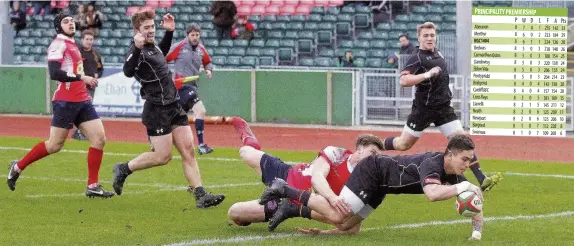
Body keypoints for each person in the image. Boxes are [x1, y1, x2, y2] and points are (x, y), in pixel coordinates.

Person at [259, 135, 484, 240]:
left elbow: (476, 204)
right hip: (373, 171)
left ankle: (293, 209)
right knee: (338, 216)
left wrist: (477, 233)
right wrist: (465, 187)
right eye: (464, 159)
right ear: (450, 155)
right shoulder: (432, 163)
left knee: (349, 228)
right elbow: (432, 194)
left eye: (469, 160)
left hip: (382, 188)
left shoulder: (455, 174)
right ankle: (285, 190)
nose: (467, 165)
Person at [115, 10, 224, 208]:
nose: (150, 30)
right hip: (156, 109)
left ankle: (200, 195)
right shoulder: (136, 49)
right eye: (146, 27)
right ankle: (124, 168)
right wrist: (137, 47)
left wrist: (169, 32)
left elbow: (162, 52)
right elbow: (127, 71)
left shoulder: (153, 46)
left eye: (152, 26)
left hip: (173, 105)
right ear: (137, 30)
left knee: (188, 151)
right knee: (162, 157)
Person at [382, 22, 502, 191]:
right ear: (419, 38)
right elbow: (404, 80)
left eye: (432, 35)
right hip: (423, 110)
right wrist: (427, 75)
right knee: (403, 145)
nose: (430, 38)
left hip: (443, 109)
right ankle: (376, 145)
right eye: (426, 35)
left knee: (463, 140)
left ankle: (481, 179)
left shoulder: (438, 52)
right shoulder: (416, 57)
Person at [7, 13, 113, 198]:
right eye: (66, 21)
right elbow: (54, 72)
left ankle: (92, 185)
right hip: (65, 101)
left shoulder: (73, 44)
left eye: (72, 21)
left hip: (82, 100)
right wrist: (82, 78)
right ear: (58, 26)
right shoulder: (58, 44)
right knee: (55, 145)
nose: (71, 23)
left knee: (99, 138)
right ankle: (17, 167)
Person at [227, 117, 384, 231]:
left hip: (294, 202)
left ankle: (283, 210)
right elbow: (317, 178)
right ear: (360, 148)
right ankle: (251, 141)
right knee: (245, 152)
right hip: (288, 174)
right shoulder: (337, 153)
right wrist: (332, 197)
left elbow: (352, 226)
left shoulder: (365, 181)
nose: (374, 159)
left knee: (234, 212)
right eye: (372, 152)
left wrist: (323, 233)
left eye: (377, 157)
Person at [166, 23, 214, 155]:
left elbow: (208, 62)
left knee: (176, 120)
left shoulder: (201, 49)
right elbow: (164, 59)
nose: (195, 37)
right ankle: (201, 145)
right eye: (192, 35)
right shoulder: (179, 47)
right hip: (181, 86)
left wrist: (209, 70)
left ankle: (157, 139)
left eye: (197, 35)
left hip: (192, 86)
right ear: (187, 35)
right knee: (200, 110)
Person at [72, 29, 103, 141]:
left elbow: (100, 68)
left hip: (91, 87)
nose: (89, 41)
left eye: (91, 39)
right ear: (82, 40)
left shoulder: (96, 54)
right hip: (79, 86)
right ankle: (80, 131)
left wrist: (97, 75)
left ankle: (79, 131)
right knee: (81, 109)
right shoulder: (77, 52)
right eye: (87, 39)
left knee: (84, 109)